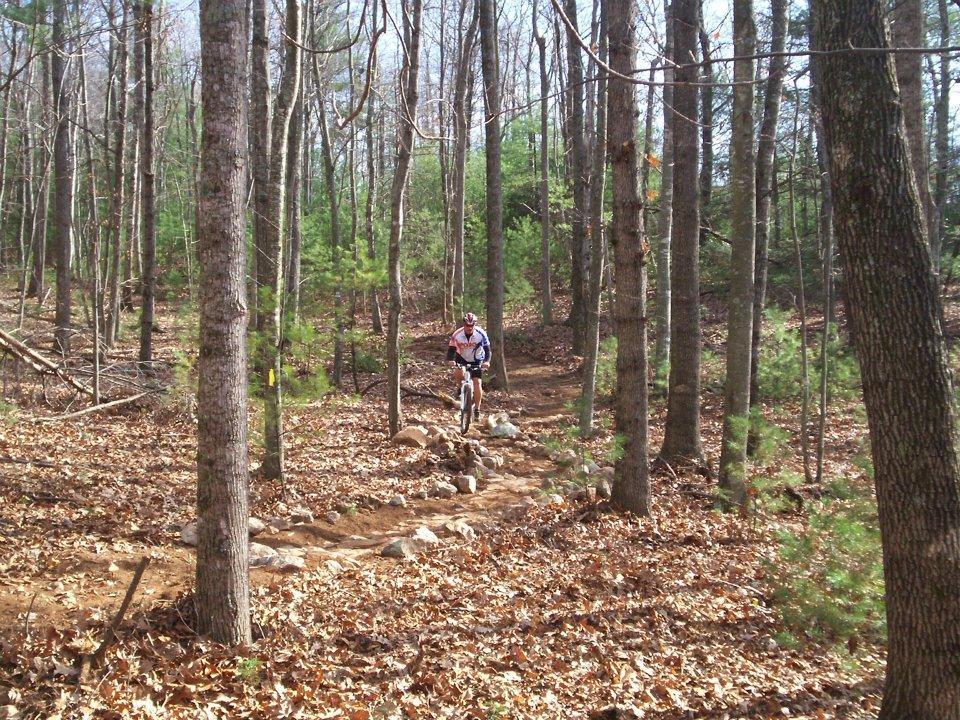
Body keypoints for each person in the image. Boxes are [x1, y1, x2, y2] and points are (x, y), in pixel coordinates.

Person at [447, 312, 491, 420]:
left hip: (477, 360)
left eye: (472, 326)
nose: (469, 328)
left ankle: (477, 409)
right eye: (467, 325)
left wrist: (487, 361)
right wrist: (450, 360)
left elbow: (488, 350)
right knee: (458, 372)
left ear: (474, 325)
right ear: (464, 324)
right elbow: (451, 349)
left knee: (477, 382)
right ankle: (459, 387)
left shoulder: (481, 334)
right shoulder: (457, 334)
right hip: (461, 358)